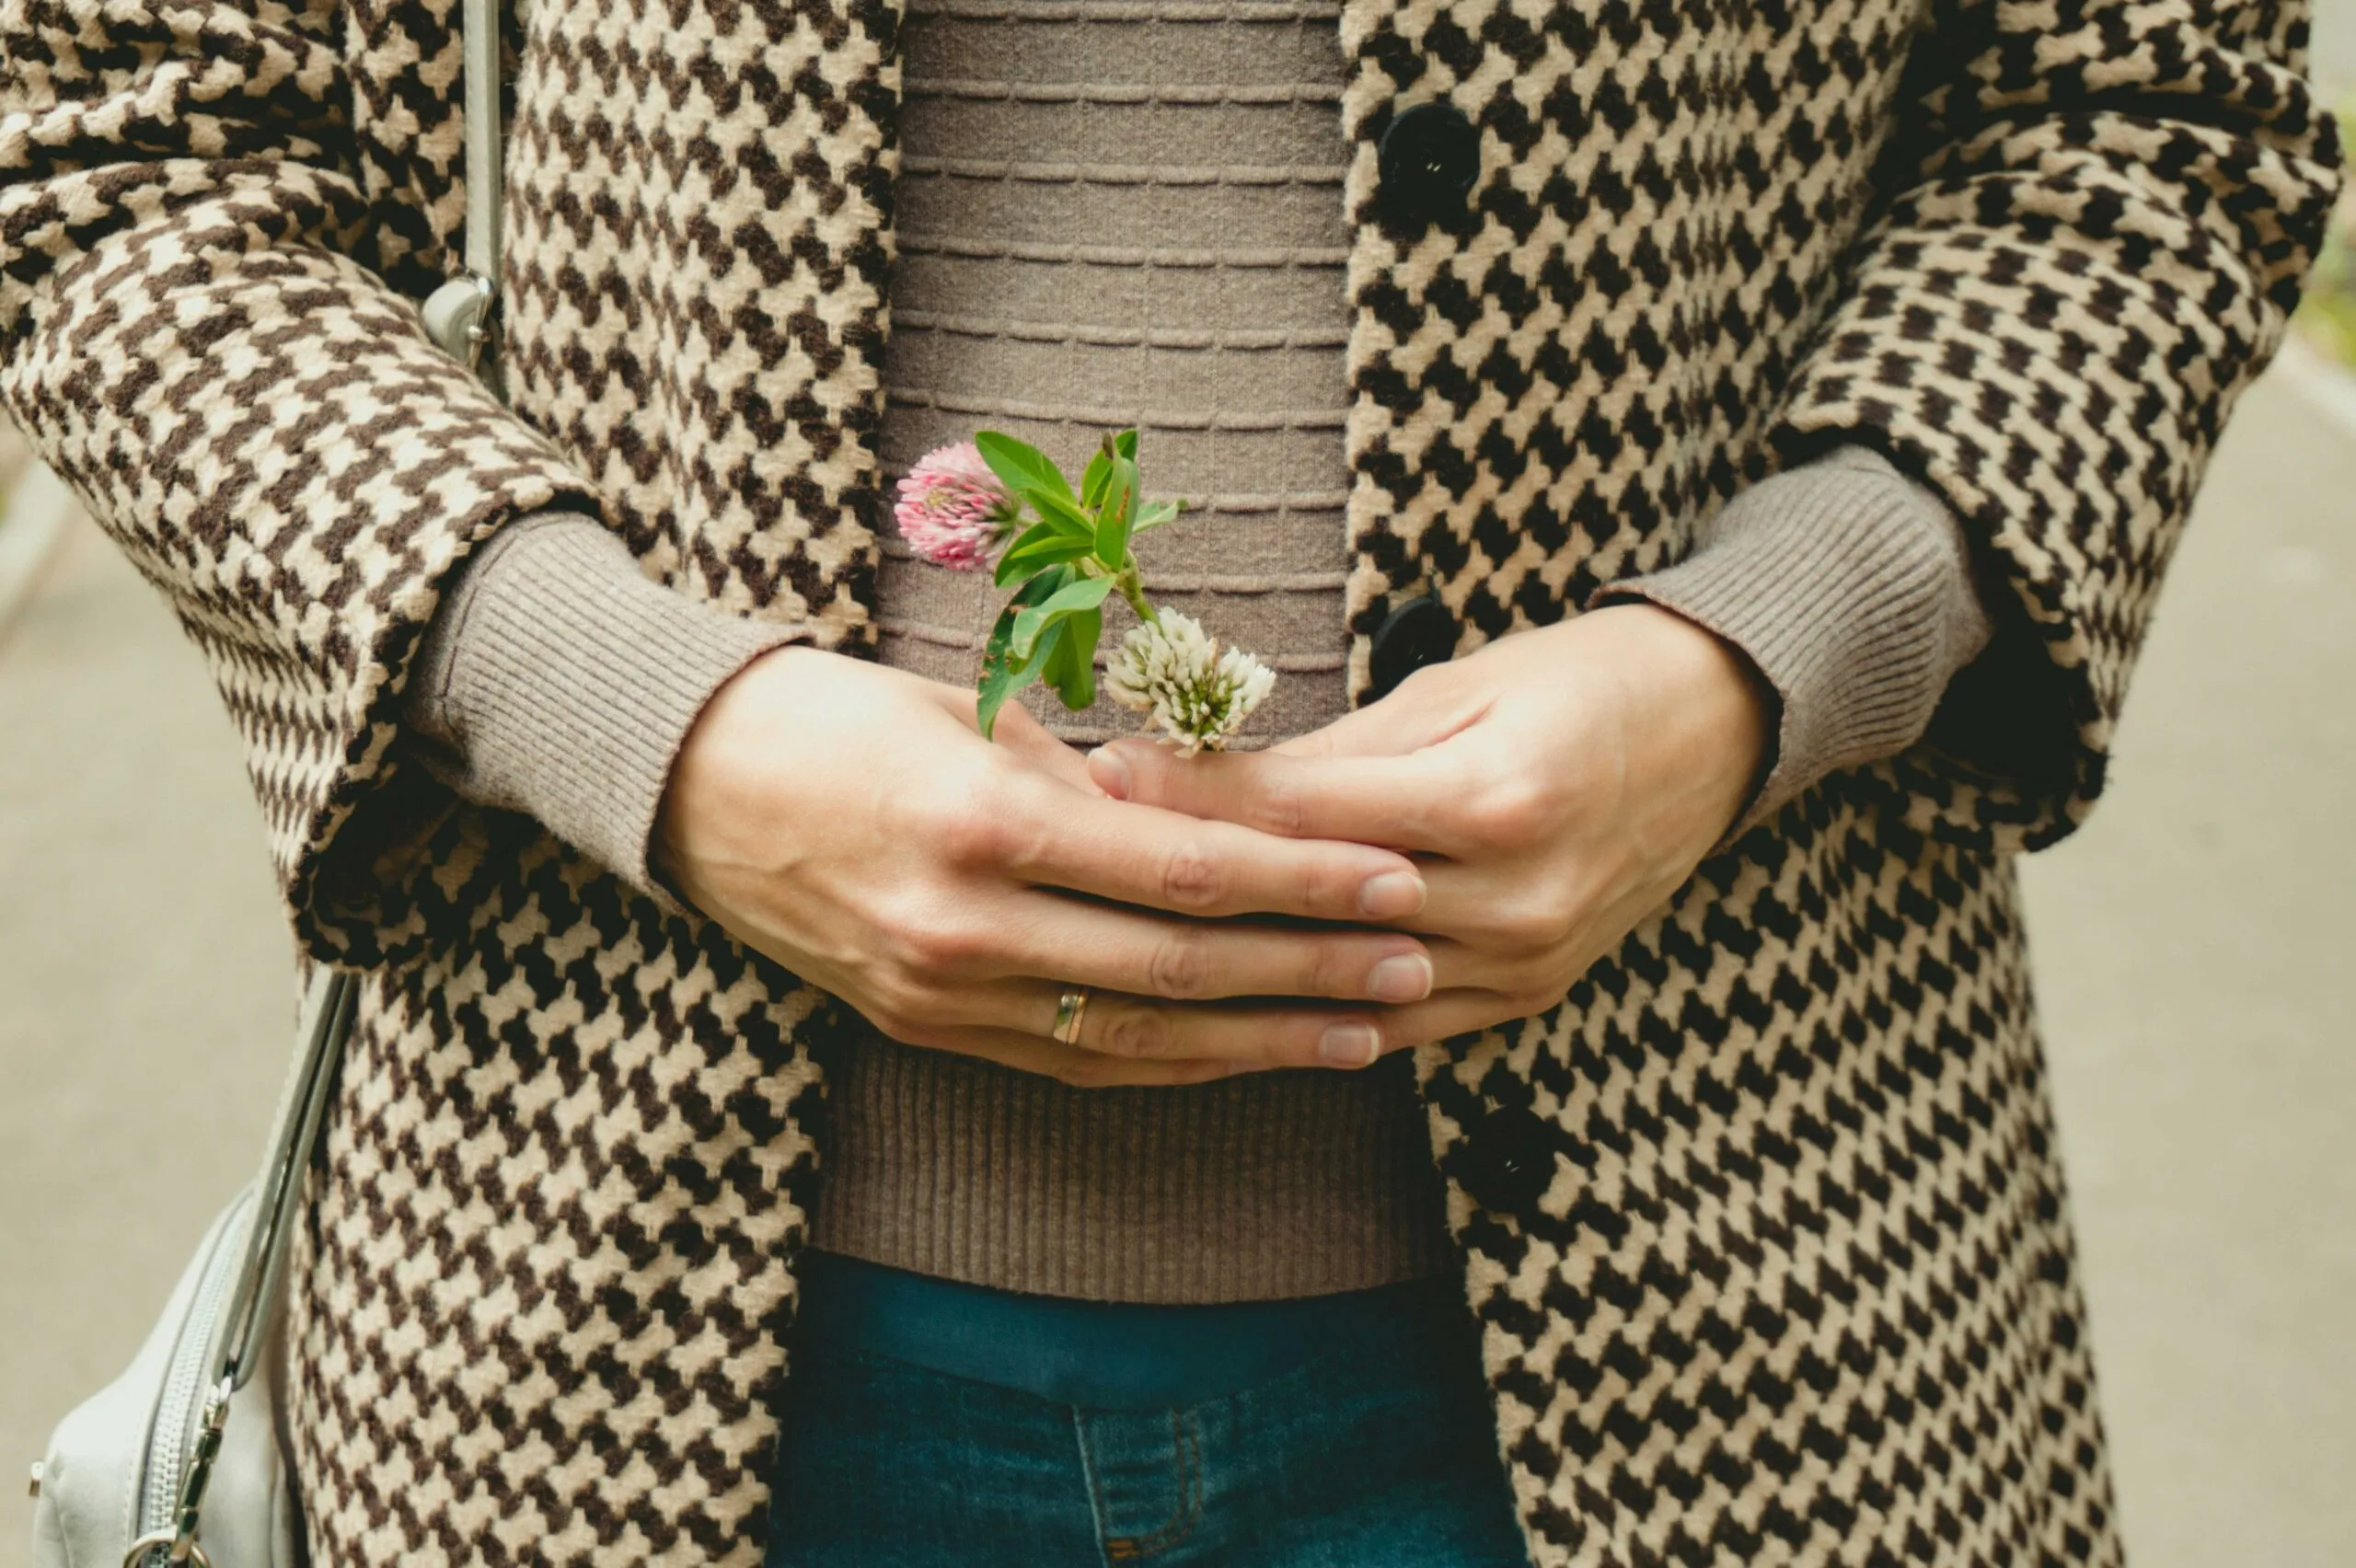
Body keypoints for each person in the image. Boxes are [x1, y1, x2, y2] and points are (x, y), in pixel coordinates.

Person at [0, 0, 2337, 1561]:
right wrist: (638, 716)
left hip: (1737, 1297)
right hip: (611, 1313)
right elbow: (126, 147)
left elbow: (2143, 127)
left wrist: (1769, 649)